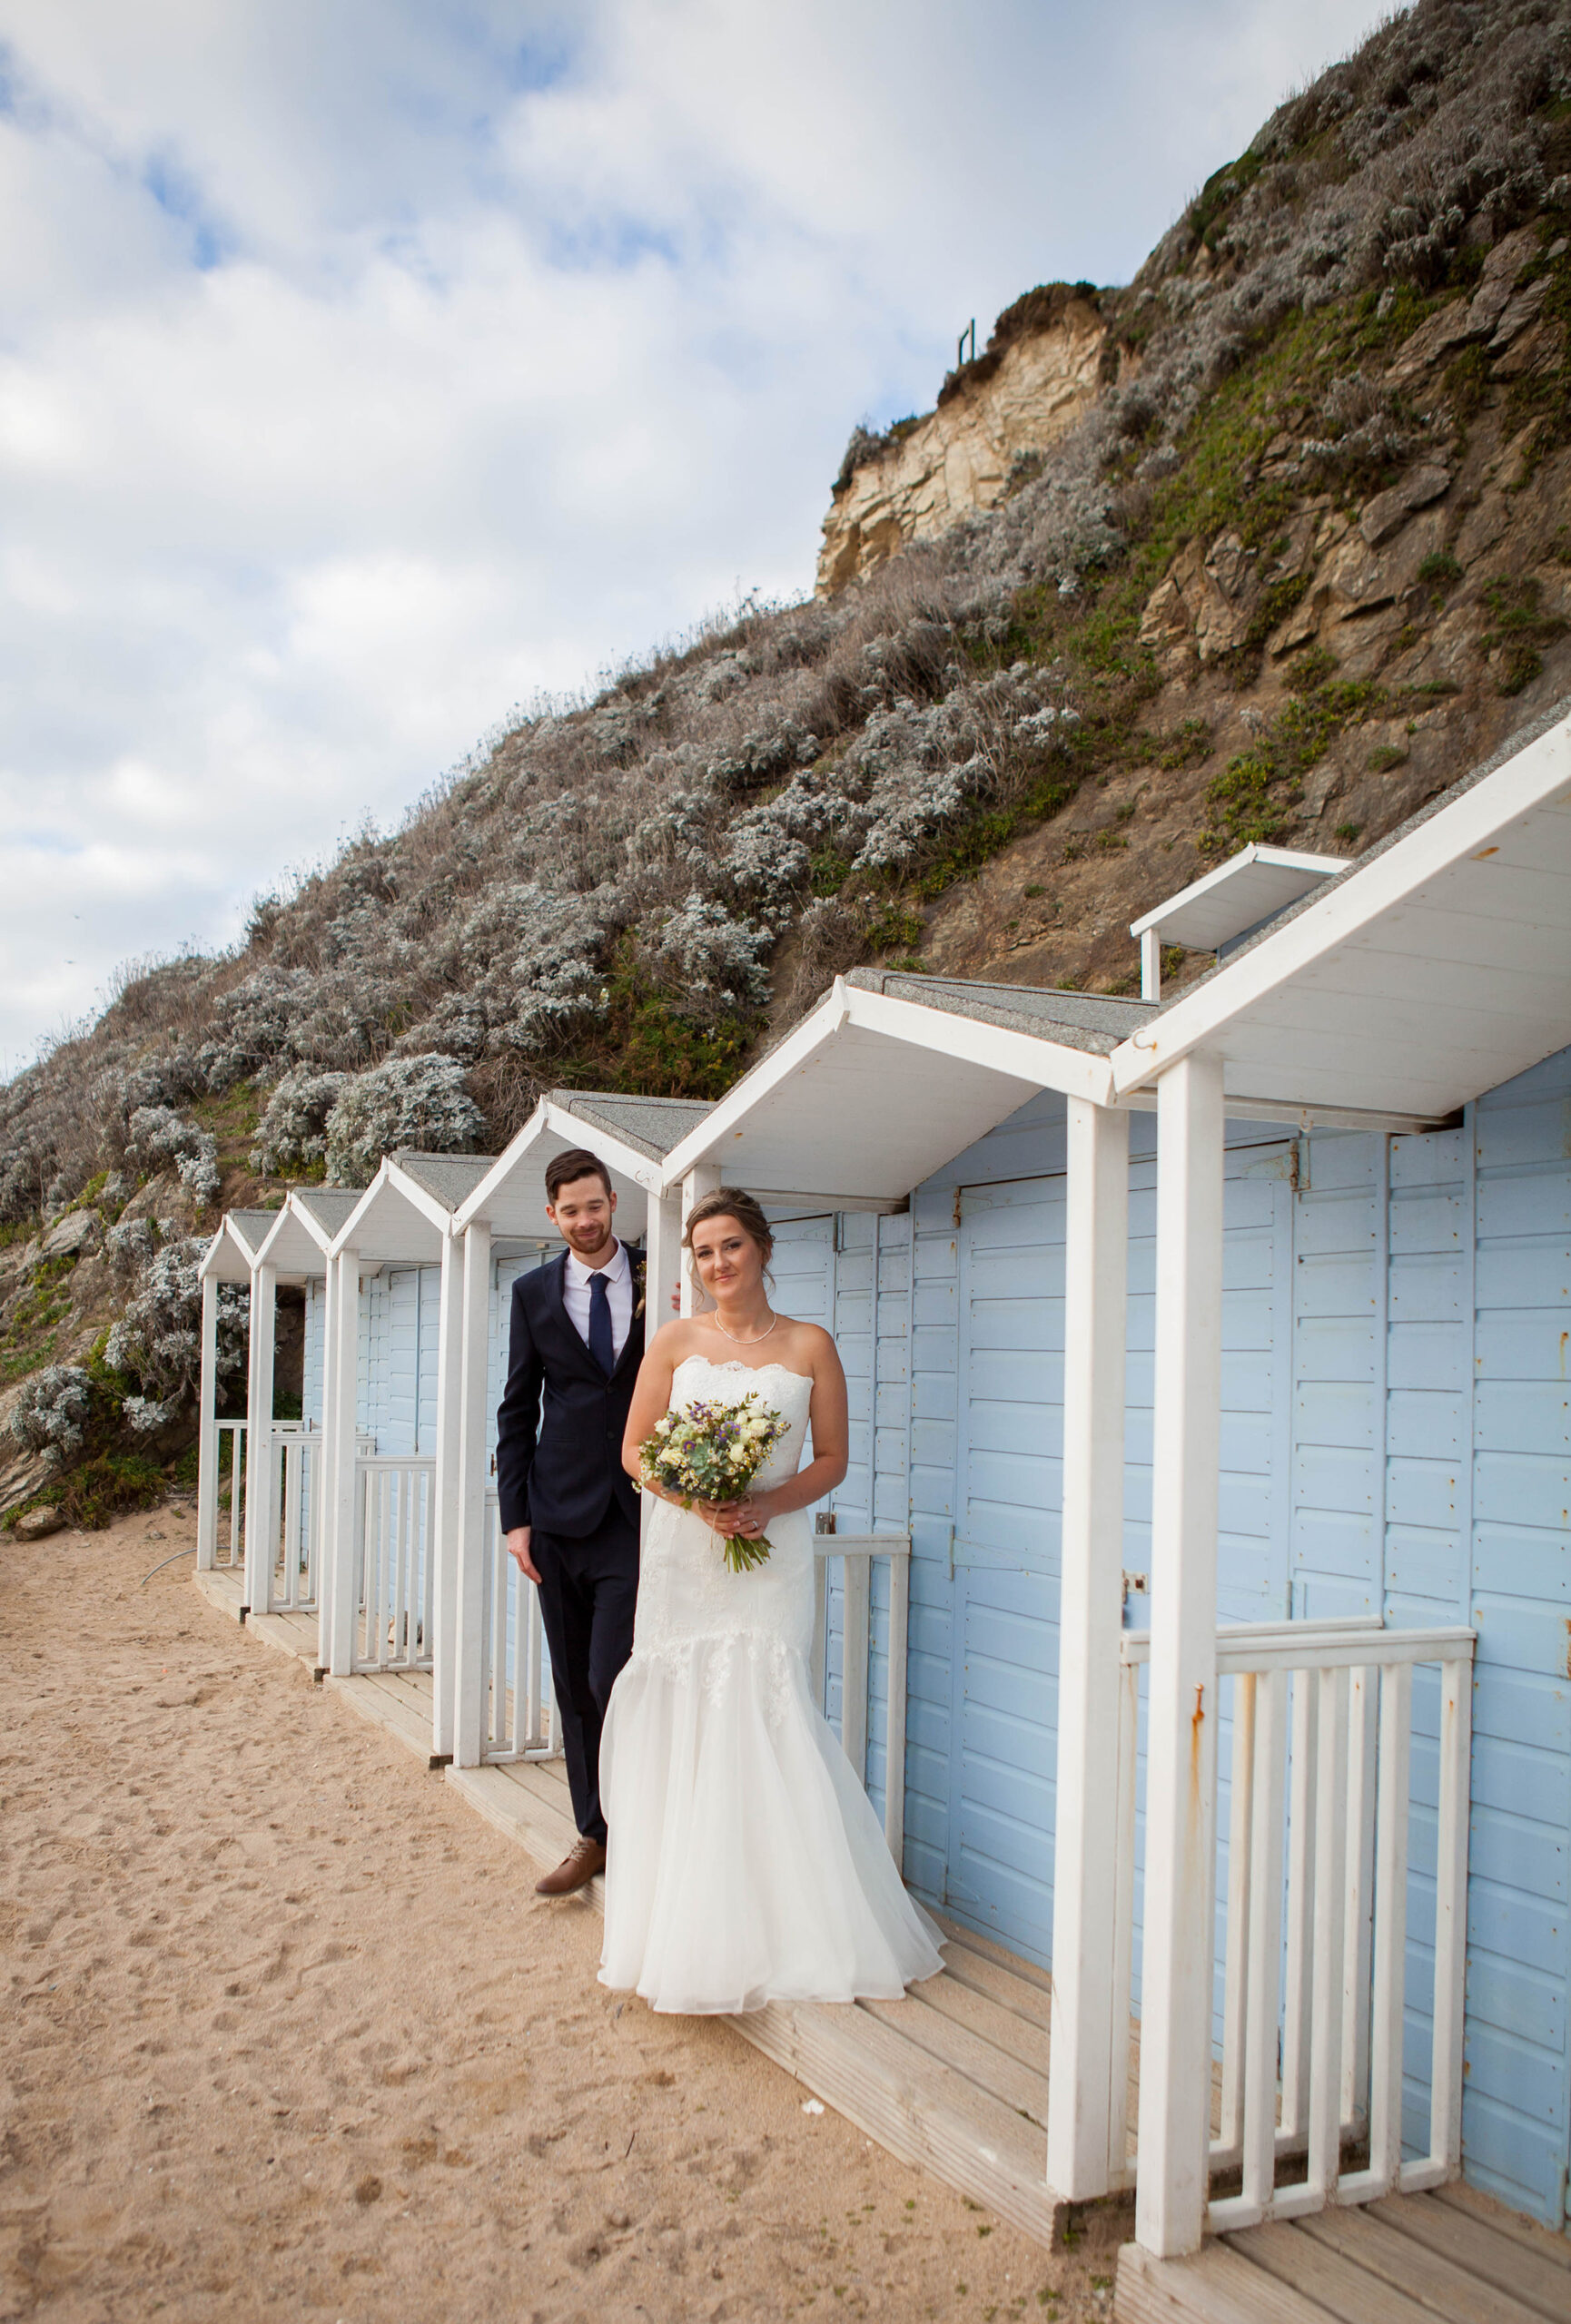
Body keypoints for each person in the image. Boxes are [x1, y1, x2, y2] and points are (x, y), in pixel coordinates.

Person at [598, 1186, 944, 2012]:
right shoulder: (675, 1341)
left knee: (768, 1705)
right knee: (687, 1710)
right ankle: (682, 1927)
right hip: (685, 1556)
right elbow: (635, 1451)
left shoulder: (811, 1345)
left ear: (762, 1249)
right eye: (704, 1253)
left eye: (731, 1247)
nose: (718, 1265)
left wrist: (765, 1506)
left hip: (773, 1555)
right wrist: (696, 1499)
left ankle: (792, 1925)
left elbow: (831, 1460)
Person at [495, 1147, 644, 1896]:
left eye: (595, 1205)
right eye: (570, 1210)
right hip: (555, 1516)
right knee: (573, 1682)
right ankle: (594, 1834)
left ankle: (641, 1819)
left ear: (614, 1202)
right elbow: (518, 1410)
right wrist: (514, 1521)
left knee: (612, 1672)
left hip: (636, 1514)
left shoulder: (661, 1280)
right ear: (552, 1216)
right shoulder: (532, 1293)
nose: (585, 1221)